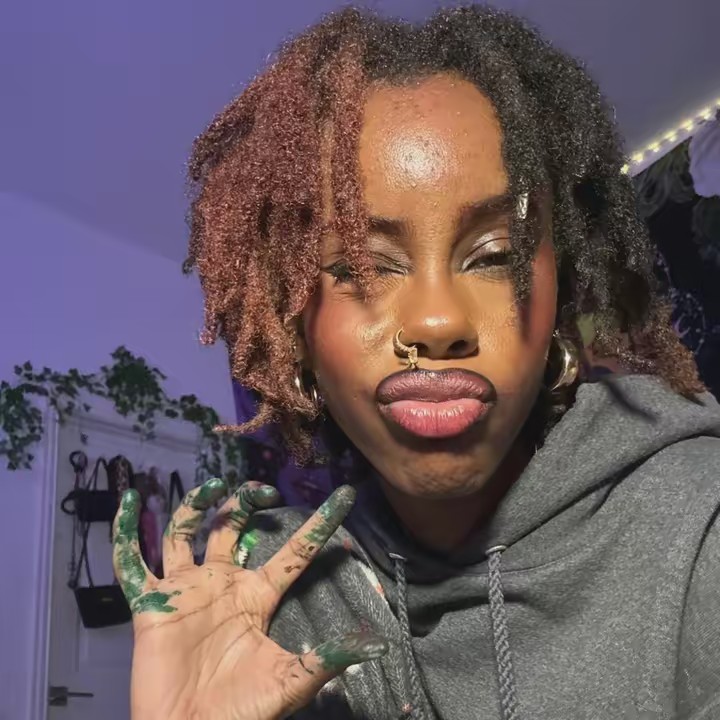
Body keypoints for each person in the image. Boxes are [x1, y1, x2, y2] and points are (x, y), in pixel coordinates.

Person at [112, 6, 720, 720]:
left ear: (560, 300)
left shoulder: (697, 527)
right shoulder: (263, 596)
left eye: (495, 256)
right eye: (363, 268)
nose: (437, 322)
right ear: (294, 327)